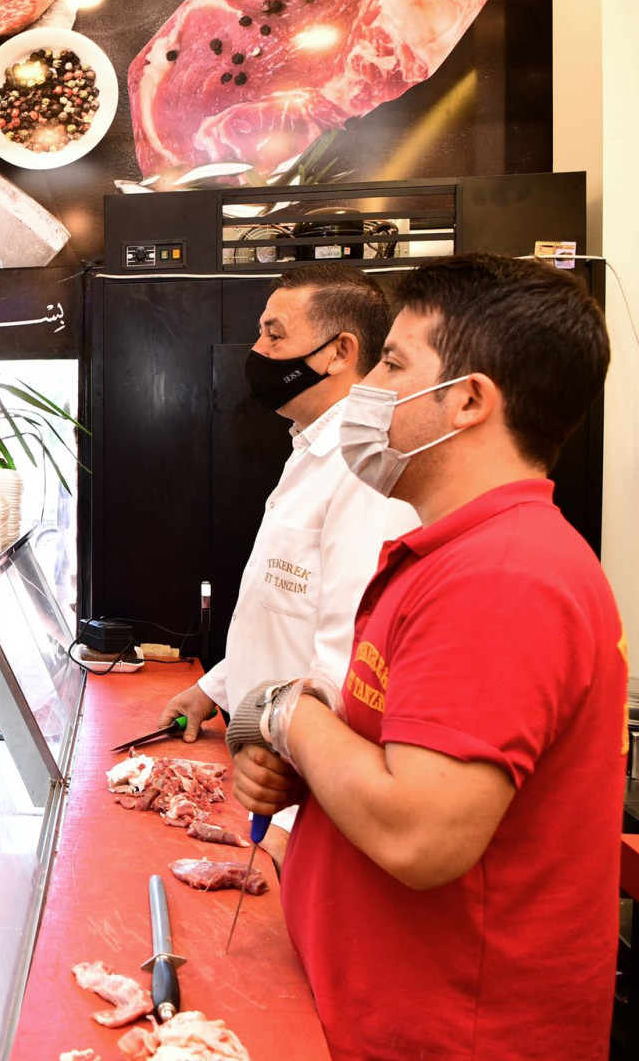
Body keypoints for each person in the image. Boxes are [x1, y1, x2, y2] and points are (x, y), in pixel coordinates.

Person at [231, 254, 622, 1060]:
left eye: (392, 364)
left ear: (469, 400)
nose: (368, 386)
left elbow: (419, 836)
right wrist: (319, 770)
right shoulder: (450, 552)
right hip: (370, 1008)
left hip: (452, 1035)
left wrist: (289, 713)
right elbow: (400, 753)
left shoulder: (503, 576)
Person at [155, 263, 417, 861]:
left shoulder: (362, 469)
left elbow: (350, 663)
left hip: (304, 803)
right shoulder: (309, 449)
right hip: (265, 771)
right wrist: (212, 689)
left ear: (340, 352)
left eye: (274, 335)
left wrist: (288, 823)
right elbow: (281, 615)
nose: (258, 351)